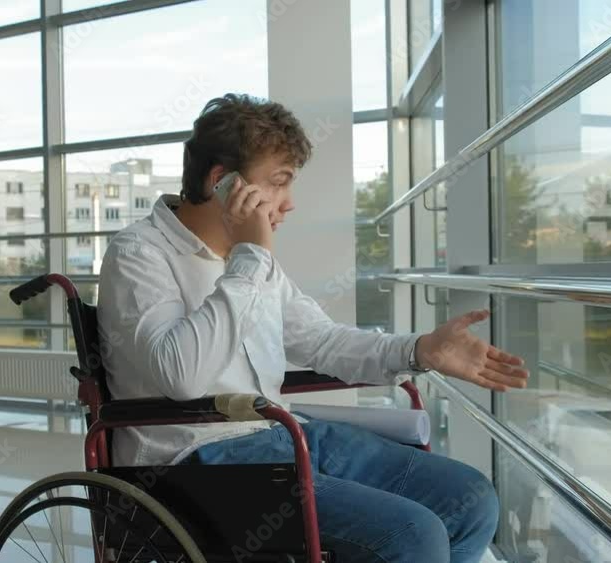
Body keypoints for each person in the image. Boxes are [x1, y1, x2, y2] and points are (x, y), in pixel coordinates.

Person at [97, 93, 529, 563]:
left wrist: (421, 350)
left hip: (283, 437)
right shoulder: (140, 253)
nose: (290, 203)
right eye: (279, 183)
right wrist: (250, 260)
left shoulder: (252, 262)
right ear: (222, 182)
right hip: (193, 463)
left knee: (469, 500)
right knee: (414, 535)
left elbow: (321, 340)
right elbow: (181, 376)